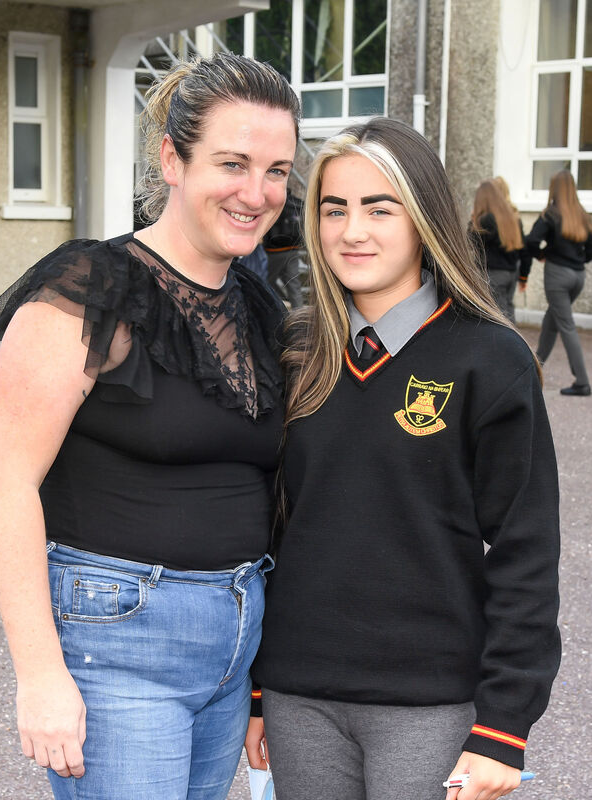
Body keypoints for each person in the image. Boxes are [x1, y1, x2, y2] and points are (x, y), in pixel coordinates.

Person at [0, 52, 299, 800]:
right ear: (171, 159)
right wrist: (39, 675)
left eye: (277, 170)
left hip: (235, 640)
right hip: (121, 641)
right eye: (234, 163)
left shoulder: (255, 308)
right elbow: (4, 479)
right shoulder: (92, 287)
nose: (258, 193)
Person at [247, 118, 561, 800]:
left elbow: (525, 550)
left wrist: (504, 724)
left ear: (424, 218)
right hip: (302, 699)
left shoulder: (489, 358)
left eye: (379, 207)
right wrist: (259, 687)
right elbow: (276, 530)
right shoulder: (300, 352)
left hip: (430, 703)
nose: (352, 231)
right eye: (335, 209)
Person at [526, 169, 592, 396]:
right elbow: (590, 249)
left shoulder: (551, 214)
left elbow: (531, 240)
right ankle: (535, 368)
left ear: (554, 189)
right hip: (578, 277)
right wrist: (578, 259)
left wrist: (544, 253)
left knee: (566, 324)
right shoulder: (582, 214)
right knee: (552, 319)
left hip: (558, 276)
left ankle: (582, 382)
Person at [469, 178, 531, 322]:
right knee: (508, 310)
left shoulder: (486, 220)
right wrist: (523, 276)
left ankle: (512, 343)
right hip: (510, 273)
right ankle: (515, 341)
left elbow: (471, 240)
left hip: (494, 273)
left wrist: (473, 219)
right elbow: (524, 248)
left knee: (500, 317)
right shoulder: (512, 218)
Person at [264, 187, 305, 307]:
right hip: (293, 248)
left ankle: (280, 303)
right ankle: (299, 315)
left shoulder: (274, 203)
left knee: (265, 281)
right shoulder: (297, 202)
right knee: (294, 284)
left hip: (274, 250)